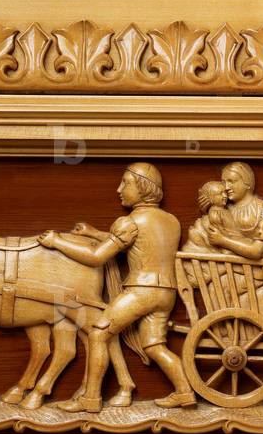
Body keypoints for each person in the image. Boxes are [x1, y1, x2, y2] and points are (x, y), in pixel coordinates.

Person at [38, 163, 196, 411]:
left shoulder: (129, 221)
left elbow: (97, 257)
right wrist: (94, 233)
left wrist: (56, 242)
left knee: (98, 334)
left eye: (126, 183)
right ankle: (185, 392)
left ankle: (90, 399)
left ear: (142, 187)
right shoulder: (171, 221)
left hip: (141, 291)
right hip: (166, 293)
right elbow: (139, 242)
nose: (119, 189)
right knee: (154, 345)